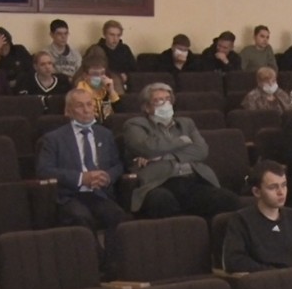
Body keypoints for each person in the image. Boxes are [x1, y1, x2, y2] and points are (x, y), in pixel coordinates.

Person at [36, 89, 128, 272]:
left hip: (98, 193)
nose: (86, 110)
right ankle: (95, 265)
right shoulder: (53, 138)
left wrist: (107, 176)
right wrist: (81, 178)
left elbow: (118, 165)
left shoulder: (105, 134)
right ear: (68, 111)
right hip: (69, 194)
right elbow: (44, 170)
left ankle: (112, 266)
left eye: (89, 104)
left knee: (116, 215)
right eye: (80, 106)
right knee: (81, 216)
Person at [121, 83, 240, 220]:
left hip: (192, 179)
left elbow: (201, 151)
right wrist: (182, 141)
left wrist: (162, 157)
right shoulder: (135, 125)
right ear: (147, 107)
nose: (165, 104)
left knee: (228, 199)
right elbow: (147, 148)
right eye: (159, 100)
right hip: (158, 182)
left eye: (168, 99)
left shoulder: (186, 123)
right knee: (161, 201)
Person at [221, 160, 292, 272]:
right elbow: (234, 261)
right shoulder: (241, 220)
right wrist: (276, 273)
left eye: (284, 185)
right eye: (273, 187)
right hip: (267, 282)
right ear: (257, 192)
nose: (281, 192)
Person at [72, 53, 121, 123]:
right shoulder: (79, 93)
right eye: (95, 74)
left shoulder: (106, 89)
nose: (100, 77)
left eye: (102, 73)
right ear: (85, 76)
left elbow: (120, 112)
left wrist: (111, 91)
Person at [95, 20, 136, 87]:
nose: (115, 38)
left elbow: (134, 69)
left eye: (118, 35)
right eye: (112, 35)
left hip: (124, 84)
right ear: (105, 34)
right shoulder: (96, 49)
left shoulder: (125, 49)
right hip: (103, 83)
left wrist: (127, 75)